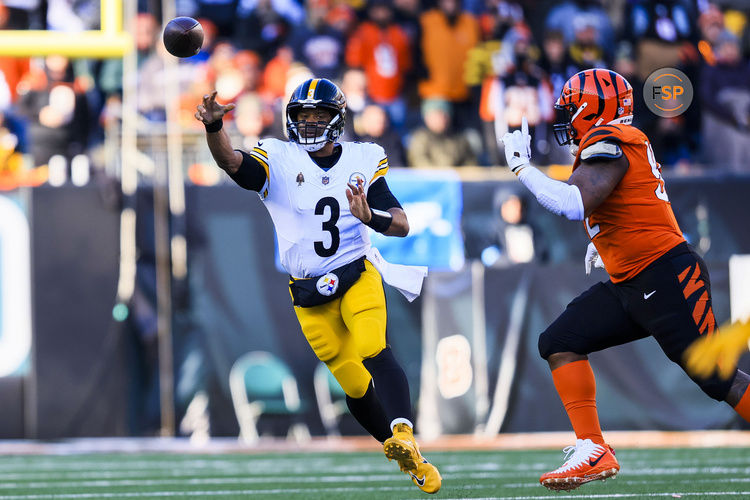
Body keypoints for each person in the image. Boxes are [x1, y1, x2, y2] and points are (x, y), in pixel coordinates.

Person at [500, 68, 750, 491]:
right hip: (632, 279)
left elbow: (574, 201)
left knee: (717, 378)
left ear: (592, 107)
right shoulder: (614, 142)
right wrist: (605, 240)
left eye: (570, 106)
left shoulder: (611, 140)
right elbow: (630, 204)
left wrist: (522, 168)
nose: (563, 116)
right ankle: (593, 448)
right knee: (559, 341)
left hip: (665, 275)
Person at [195, 77, 441, 494]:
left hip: (355, 271)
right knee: (352, 382)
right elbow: (233, 163)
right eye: (302, 116)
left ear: (337, 119)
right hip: (309, 291)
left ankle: (404, 432)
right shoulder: (279, 157)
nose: (309, 123)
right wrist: (215, 128)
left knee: (373, 348)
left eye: (318, 115)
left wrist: (370, 218)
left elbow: (401, 223)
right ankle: (406, 457)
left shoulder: (363, 158)